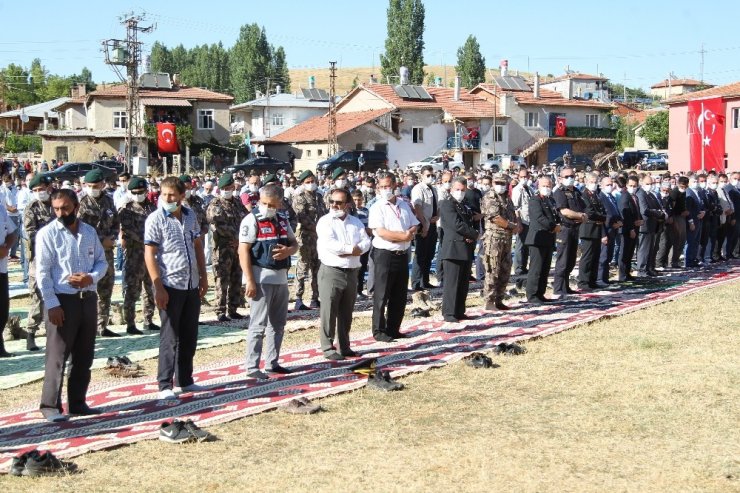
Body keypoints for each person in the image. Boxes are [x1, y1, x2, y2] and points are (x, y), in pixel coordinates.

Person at [37, 189, 108, 421]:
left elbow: (101, 262)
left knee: (84, 356)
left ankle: (78, 403)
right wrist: (52, 304)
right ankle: (50, 407)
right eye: (56, 209)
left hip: (87, 299)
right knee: (57, 355)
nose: (60, 213)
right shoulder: (47, 234)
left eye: (65, 208)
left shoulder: (88, 232)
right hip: (62, 301)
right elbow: (43, 273)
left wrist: (91, 277)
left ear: (76, 207)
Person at [144, 177, 208, 400]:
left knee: (189, 333)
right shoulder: (155, 219)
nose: (167, 198)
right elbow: (150, 254)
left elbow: (197, 245)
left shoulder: (190, 216)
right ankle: (164, 384)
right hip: (170, 284)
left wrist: (203, 275)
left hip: (190, 283)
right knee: (170, 335)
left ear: (182, 195)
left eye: (172, 195)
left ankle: (185, 379)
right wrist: (158, 286)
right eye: (164, 194)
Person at [238, 184, 298, 379]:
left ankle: (272, 363)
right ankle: (252, 367)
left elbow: (294, 243)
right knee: (258, 325)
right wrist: (249, 280)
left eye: (271, 204)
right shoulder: (251, 219)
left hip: (281, 278)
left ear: (280, 203)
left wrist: (289, 251)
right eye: (263, 203)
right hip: (260, 277)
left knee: (278, 324)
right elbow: (243, 251)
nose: (267, 207)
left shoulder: (282, 219)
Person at [316, 188, 371, 359]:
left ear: (347, 204)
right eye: (332, 201)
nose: (334, 205)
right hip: (332, 271)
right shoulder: (325, 222)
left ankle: (344, 346)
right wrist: (351, 250)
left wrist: (356, 250)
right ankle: (327, 347)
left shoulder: (355, 222)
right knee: (329, 311)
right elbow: (331, 245)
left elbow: (366, 242)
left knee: (346, 312)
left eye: (338, 202)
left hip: (352, 271)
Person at [368, 173, 419, 342]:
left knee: (399, 294)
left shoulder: (403, 204)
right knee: (382, 294)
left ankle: (393, 328)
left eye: (388, 186)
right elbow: (381, 232)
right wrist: (403, 237)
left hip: (402, 254)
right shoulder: (377, 207)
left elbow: (414, 224)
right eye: (382, 187)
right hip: (385, 254)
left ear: (395, 185)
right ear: (378, 188)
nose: (386, 190)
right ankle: (379, 330)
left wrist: (410, 233)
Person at [77, 169, 120, 337]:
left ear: (103, 185)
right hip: (87, 253)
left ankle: (102, 325)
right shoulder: (81, 203)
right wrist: (102, 240)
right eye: (90, 186)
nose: (93, 188)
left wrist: (113, 237)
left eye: (96, 186)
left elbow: (116, 222)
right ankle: (86, 327)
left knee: (106, 289)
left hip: (106, 253)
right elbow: (79, 228)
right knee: (87, 290)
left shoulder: (108, 201)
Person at [118, 176, 158, 334]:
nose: (138, 194)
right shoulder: (126, 208)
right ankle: (130, 323)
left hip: (151, 255)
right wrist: (149, 240)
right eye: (135, 192)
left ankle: (148, 320)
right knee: (132, 290)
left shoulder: (152, 207)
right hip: (135, 254)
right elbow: (128, 230)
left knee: (150, 288)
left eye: (141, 192)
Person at [206, 173, 248, 321]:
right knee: (222, 279)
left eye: (229, 187)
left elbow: (246, 222)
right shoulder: (215, 205)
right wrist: (235, 238)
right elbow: (218, 225)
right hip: (223, 249)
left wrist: (240, 240)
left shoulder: (237, 203)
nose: (227, 190)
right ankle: (220, 310)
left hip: (237, 248)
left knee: (237, 277)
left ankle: (233, 308)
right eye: (224, 188)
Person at [439, 177, 479, 321]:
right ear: (451, 190)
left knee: (463, 283)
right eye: (457, 189)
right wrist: (474, 234)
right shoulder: (446, 204)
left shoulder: (464, 204)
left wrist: (471, 236)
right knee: (452, 283)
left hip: (466, 247)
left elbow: (470, 221)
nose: (460, 192)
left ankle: (459, 311)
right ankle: (449, 313)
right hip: (453, 248)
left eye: (462, 190)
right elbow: (456, 224)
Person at [481, 173, 518, 310]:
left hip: (506, 238)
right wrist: (511, 226)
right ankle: (489, 301)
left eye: (503, 183)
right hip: (494, 238)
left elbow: (513, 215)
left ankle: (499, 299)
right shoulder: (490, 197)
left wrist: (516, 225)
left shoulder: (507, 198)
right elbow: (495, 218)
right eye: (497, 183)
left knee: (505, 269)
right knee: (493, 270)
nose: (500, 186)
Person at [292, 170, 325, 311]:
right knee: (302, 267)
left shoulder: (318, 197)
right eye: (308, 182)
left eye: (313, 181)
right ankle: (298, 298)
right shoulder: (300, 198)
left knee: (316, 268)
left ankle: (314, 298)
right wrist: (317, 228)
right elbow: (301, 217)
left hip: (319, 238)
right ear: (302, 183)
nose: (311, 184)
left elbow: (324, 213)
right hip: (305, 238)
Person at [525, 177, 560, 304]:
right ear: (538, 186)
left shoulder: (550, 200)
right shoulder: (535, 200)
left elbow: (555, 215)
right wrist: (553, 226)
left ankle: (540, 293)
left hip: (548, 238)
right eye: (544, 185)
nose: (547, 188)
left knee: (545, 268)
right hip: (537, 238)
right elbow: (539, 217)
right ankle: (532, 294)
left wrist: (558, 224)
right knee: (536, 268)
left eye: (549, 185)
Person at [552, 167, 587, 296]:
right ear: (560, 178)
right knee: (563, 260)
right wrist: (579, 216)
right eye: (567, 176)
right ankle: (558, 289)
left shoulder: (576, 191)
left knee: (571, 260)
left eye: (572, 176)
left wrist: (583, 216)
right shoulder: (559, 192)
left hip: (575, 229)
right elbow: (564, 211)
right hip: (564, 229)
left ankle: (566, 286)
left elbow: (583, 207)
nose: (570, 178)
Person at [410, 165, 439, 291]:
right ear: (422, 176)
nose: (431, 177)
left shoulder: (434, 189)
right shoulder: (418, 189)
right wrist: (424, 224)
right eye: (428, 175)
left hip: (433, 224)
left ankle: (425, 281)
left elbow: (437, 205)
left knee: (430, 253)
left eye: (432, 175)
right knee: (420, 254)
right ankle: (416, 283)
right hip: (422, 224)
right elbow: (417, 208)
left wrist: (437, 216)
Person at [578, 172, 607, 290]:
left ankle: (592, 280)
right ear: (586, 182)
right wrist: (602, 217)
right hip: (588, 229)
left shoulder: (596, 195)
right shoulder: (584, 195)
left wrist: (602, 216)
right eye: (591, 182)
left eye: (595, 183)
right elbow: (590, 212)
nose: (594, 185)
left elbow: (603, 210)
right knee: (587, 257)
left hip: (596, 229)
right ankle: (584, 282)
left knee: (595, 256)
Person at [635, 175, 663, 277]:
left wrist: (658, 212)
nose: (650, 186)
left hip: (652, 225)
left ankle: (648, 268)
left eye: (651, 184)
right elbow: (644, 210)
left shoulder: (650, 194)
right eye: (648, 184)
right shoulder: (641, 194)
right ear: (642, 183)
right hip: (645, 225)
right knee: (644, 249)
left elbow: (657, 207)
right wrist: (657, 212)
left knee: (650, 249)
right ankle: (642, 270)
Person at [0, 203, 18, 357]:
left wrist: (7, 247)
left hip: (1, 267)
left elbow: (12, 232)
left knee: (2, 310)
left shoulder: (0, 207)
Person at [598, 175, 623, 285]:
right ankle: (600, 278)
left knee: (608, 255)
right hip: (606, 229)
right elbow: (604, 216)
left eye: (611, 184)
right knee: (603, 256)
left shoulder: (611, 196)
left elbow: (615, 211)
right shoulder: (601, 197)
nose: (610, 186)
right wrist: (613, 224)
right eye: (607, 184)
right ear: (602, 185)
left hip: (613, 230)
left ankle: (605, 278)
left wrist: (619, 221)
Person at [618, 176, 643, 281]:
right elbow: (625, 214)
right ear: (627, 185)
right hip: (627, 229)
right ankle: (623, 275)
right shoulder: (625, 196)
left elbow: (636, 211)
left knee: (630, 252)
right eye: (630, 185)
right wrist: (631, 228)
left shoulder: (634, 197)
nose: (633, 187)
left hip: (635, 227)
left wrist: (640, 220)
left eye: (635, 186)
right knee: (624, 252)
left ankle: (627, 273)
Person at [511, 168, 532, 286]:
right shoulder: (517, 190)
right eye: (522, 177)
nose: (524, 179)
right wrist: (518, 222)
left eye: (526, 177)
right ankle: (519, 269)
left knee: (526, 246)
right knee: (520, 245)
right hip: (522, 221)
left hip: (530, 221)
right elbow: (516, 208)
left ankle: (524, 267)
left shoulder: (529, 189)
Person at [351, 189, 372, 298]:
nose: (357, 202)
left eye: (359, 200)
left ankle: (359, 290)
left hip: (365, 242)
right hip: (355, 242)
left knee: (363, 267)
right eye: (354, 200)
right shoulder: (351, 212)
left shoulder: (366, 211)